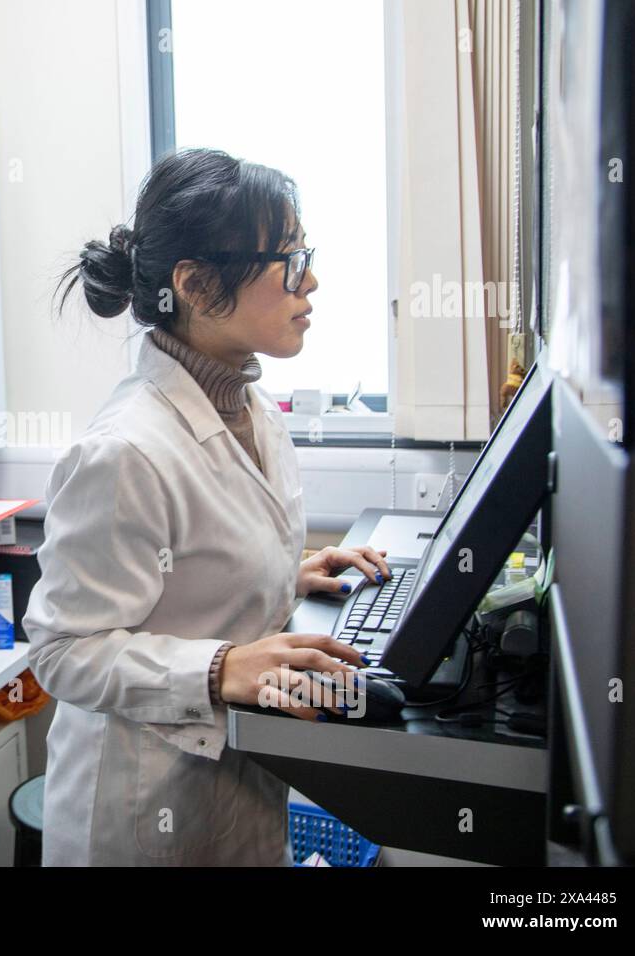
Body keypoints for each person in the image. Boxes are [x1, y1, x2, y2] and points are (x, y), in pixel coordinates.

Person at [25, 149, 391, 866]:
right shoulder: (124, 451)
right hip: (140, 810)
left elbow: (186, 577)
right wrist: (219, 668)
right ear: (194, 284)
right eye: (288, 260)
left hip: (238, 792)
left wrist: (282, 571)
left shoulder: (249, 404)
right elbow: (62, 652)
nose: (310, 281)